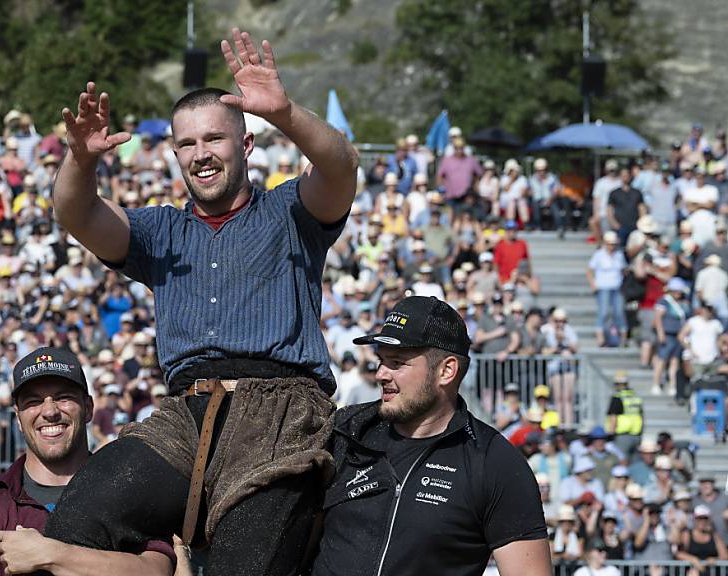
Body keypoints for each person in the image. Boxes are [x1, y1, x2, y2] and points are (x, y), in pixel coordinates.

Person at [34, 27, 358, 575]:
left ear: (246, 144)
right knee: (77, 522)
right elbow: (76, 214)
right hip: (186, 412)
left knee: (243, 563)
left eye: (215, 139)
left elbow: (340, 166)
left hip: (278, 410)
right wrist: (81, 162)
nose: (201, 155)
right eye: (187, 143)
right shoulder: (162, 229)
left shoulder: (288, 213)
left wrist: (283, 111)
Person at [310, 296, 550, 576]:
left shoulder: (494, 462)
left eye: (397, 362)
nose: (381, 374)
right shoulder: (345, 430)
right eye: (381, 360)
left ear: (446, 371)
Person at [0, 347, 175, 576]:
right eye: (33, 401)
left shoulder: (129, 492)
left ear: (89, 408)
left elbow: (158, 570)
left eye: (63, 397)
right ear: (18, 418)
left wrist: (52, 555)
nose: (49, 411)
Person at [606, 370, 643, 458]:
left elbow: (613, 417)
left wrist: (610, 435)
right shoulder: (635, 397)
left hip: (622, 436)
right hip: (636, 435)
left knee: (620, 461)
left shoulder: (617, 397)